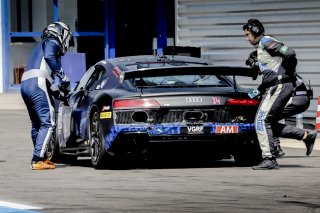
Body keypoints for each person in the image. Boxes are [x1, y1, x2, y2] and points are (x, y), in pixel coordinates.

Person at [243, 19, 317, 170]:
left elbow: (289, 53)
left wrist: (287, 74)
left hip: (280, 87)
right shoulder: (262, 47)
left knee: (262, 121)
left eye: (247, 34)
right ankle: (305, 136)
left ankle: (270, 158)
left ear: (255, 31)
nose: (246, 38)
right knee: (268, 123)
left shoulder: (265, 41)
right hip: (276, 86)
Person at [20, 22, 74, 170]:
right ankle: (37, 159)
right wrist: (63, 76)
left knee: (37, 124)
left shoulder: (39, 46)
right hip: (38, 84)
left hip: (26, 85)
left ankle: (41, 157)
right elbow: (49, 57)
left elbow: (44, 78)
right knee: (48, 122)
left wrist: (60, 94)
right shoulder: (52, 41)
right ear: (62, 33)